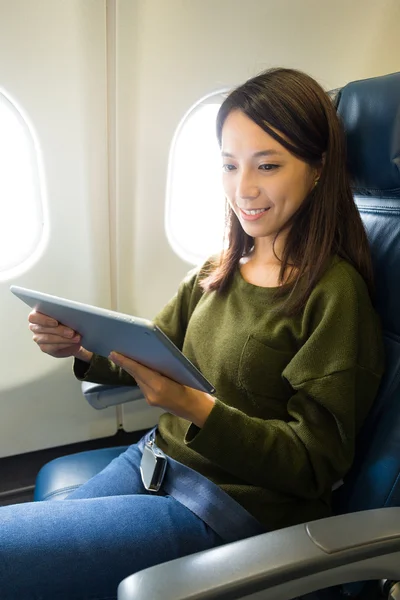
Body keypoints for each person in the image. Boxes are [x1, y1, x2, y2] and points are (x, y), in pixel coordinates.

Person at [1, 67, 384, 600]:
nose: (243, 189)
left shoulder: (334, 295)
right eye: (229, 165)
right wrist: (81, 346)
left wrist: (194, 408)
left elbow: (314, 465)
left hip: (227, 508)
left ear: (318, 168)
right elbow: (153, 349)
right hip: (155, 460)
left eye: (267, 165)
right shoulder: (221, 266)